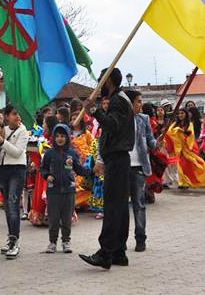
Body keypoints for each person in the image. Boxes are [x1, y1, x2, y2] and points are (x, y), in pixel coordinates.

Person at [79, 67, 135, 270]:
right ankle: (119, 252)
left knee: (112, 207)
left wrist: (94, 110)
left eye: (101, 80)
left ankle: (105, 253)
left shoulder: (118, 101)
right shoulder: (119, 99)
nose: (99, 85)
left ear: (109, 81)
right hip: (117, 159)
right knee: (118, 208)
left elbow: (112, 126)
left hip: (118, 160)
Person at [41, 123, 87, 254]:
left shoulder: (72, 153)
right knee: (53, 218)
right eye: (57, 136)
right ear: (54, 137)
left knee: (67, 218)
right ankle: (52, 242)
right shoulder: (49, 153)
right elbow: (43, 168)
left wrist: (91, 172)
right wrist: (47, 175)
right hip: (53, 191)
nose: (60, 138)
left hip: (69, 190)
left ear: (67, 137)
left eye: (63, 136)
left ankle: (66, 241)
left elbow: (78, 168)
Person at [0, 104, 28, 259]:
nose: (18, 117)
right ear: (6, 116)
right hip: (2, 170)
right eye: (14, 114)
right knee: (7, 207)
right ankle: (10, 238)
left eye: (19, 114)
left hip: (17, 169)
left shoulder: (23, 131)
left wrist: (2, 142)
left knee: (13, 204)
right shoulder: (1, 130)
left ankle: (15, 241)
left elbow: (17, 152)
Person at [125, 90, 154, 252]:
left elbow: (150, 140)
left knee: (139, 204)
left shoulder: (144, 119)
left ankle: (140, 238)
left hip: (139, 167)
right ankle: (120, 239)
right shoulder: (120, 119)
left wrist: (157, 144)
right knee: (122, 206)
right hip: (122, 166)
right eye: (138, 101)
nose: (141, 105)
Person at [165, 109, 205, 188]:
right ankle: (182, 182)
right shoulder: (175, 124)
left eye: (182, 113)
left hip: (187, 148)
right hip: (178, 149)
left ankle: (188, 181)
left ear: (186, 114)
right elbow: (169, 132)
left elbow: (190, 134)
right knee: (180, 165)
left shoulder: (189, 124)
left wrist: (182, 132)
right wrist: (176, 131)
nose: (180, 115)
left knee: (189, 165)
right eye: (179, 113)